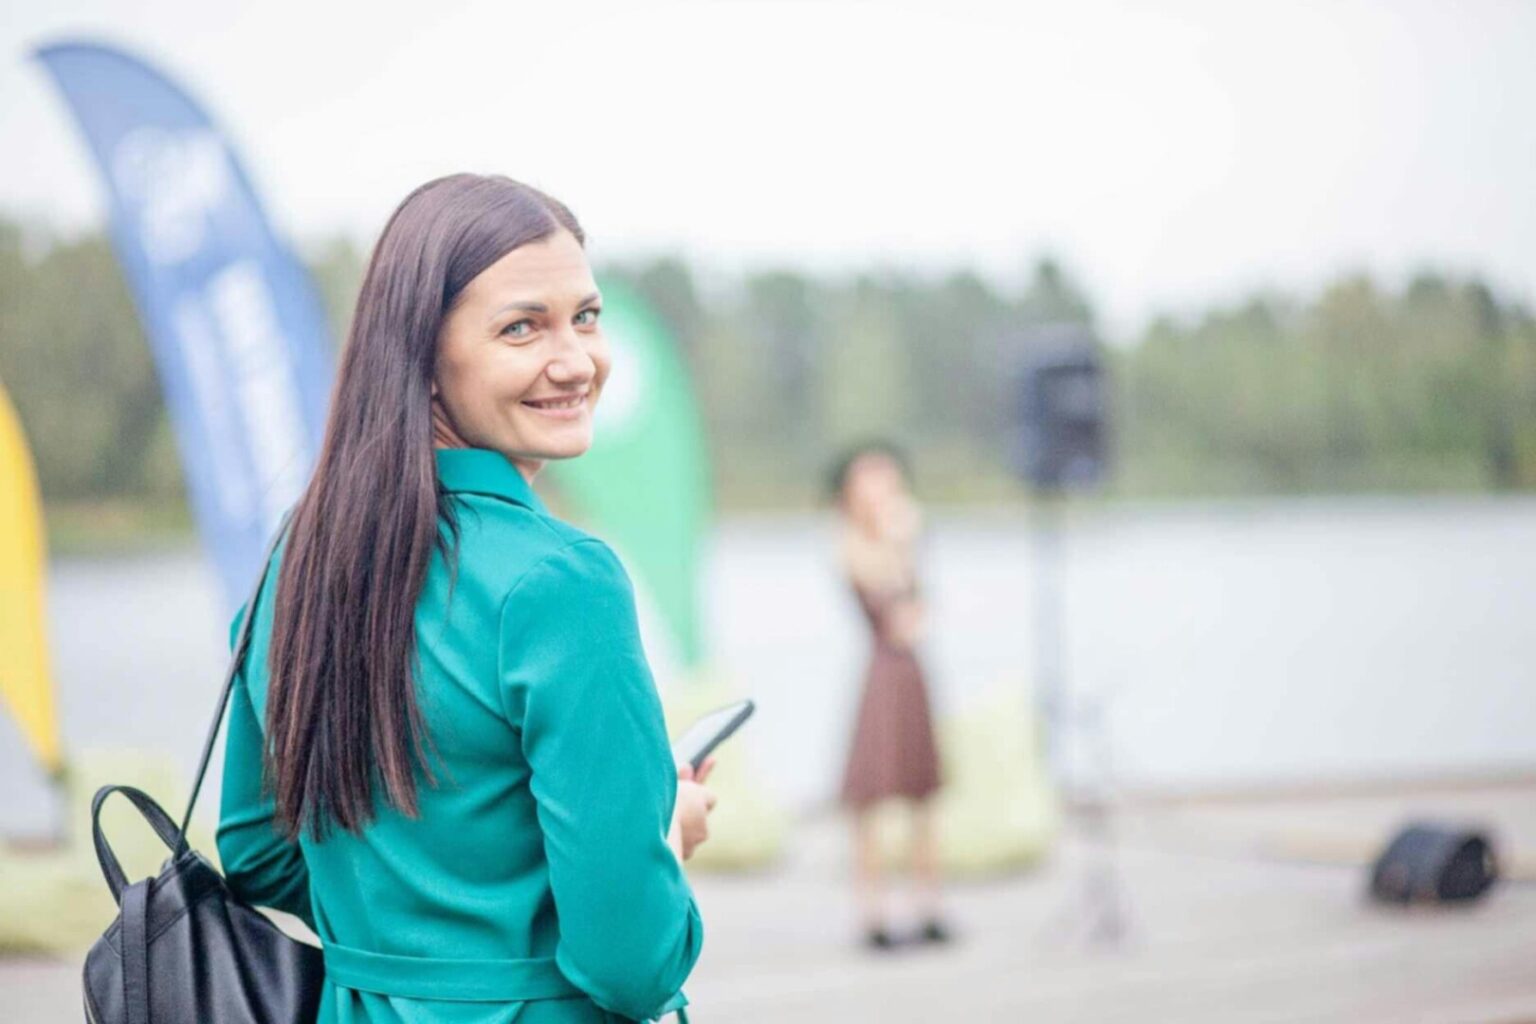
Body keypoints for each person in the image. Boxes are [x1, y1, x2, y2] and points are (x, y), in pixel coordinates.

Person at [215, 173, 715, 1024]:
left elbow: (257, 849)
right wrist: (666, 831)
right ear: (423, 360)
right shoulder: (564, 582)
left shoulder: (296, 555)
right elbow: (631, 963)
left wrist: (407, 937)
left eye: (586, 317)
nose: (576, 361)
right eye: (523, 327)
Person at [829, 441, 949, 951]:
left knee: (922, 791)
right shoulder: (850, 544)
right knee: (871, 796)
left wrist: (906, 546)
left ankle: (929, 905)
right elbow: (893, 617)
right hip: (882, 672)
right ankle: (873, 912)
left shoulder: (907, 539)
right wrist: (899, 546)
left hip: (910, 671)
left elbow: (920, 615)